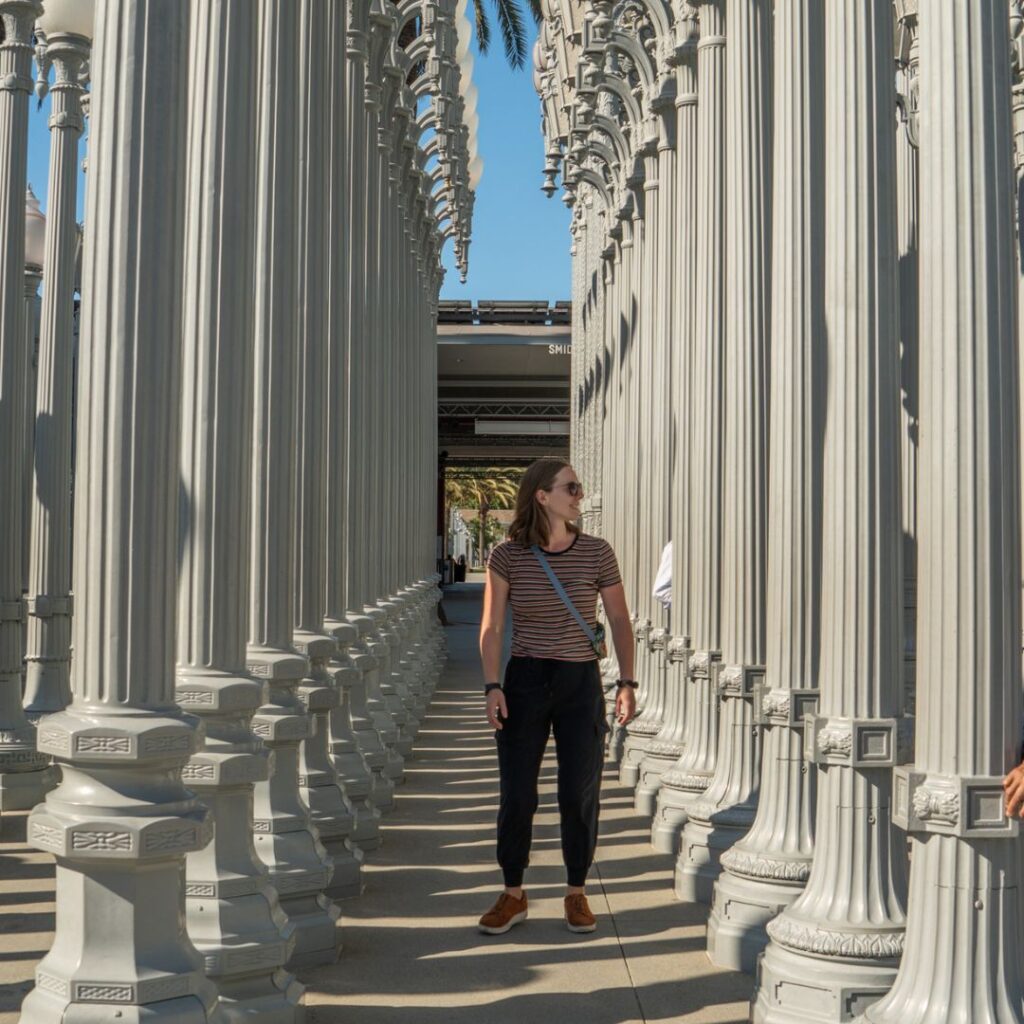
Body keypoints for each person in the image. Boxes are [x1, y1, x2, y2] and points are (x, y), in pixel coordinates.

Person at [476, 457, 636, 936]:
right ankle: (513, 893)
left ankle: (576, 892)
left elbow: (620, 621)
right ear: (542, 496)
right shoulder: (507, 556)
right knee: (518, 793)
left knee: (578, 792)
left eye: (579, 488)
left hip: (579, 682)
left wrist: (627, 682)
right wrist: (492, 685)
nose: (579, 495)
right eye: (572, 487)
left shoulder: (597, 552)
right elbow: (492, 625)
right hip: (524, 680)